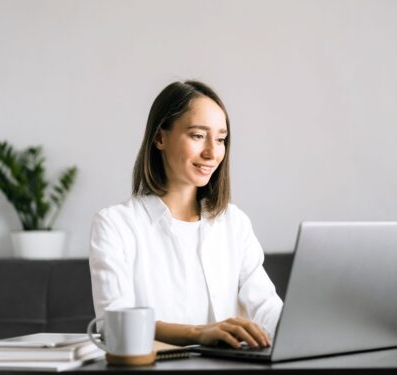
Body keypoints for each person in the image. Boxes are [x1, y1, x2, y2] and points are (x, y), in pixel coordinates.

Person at [89, 80, 283, 349]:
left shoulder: (234, 223)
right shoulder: (116, 225)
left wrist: (304, 330)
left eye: (220, 139)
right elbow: (114, 326)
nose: (212, 153)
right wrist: (198, 333)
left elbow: (267, 309)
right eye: (197, 135)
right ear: (160, 137)